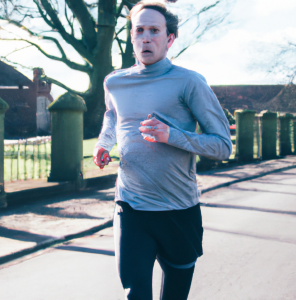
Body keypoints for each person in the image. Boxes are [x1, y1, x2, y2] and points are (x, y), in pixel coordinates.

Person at [93, 2, 232, 299]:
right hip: (131, 207)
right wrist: (104, 143)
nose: (145, 38)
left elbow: (222, 146)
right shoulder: (115, 82)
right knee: (136, 293)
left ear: (169, 39)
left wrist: (173, 136)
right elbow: (113, 116)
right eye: (138, 30)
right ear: (131, 37)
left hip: (178, 211)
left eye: (154, 31)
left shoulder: (189, 82)